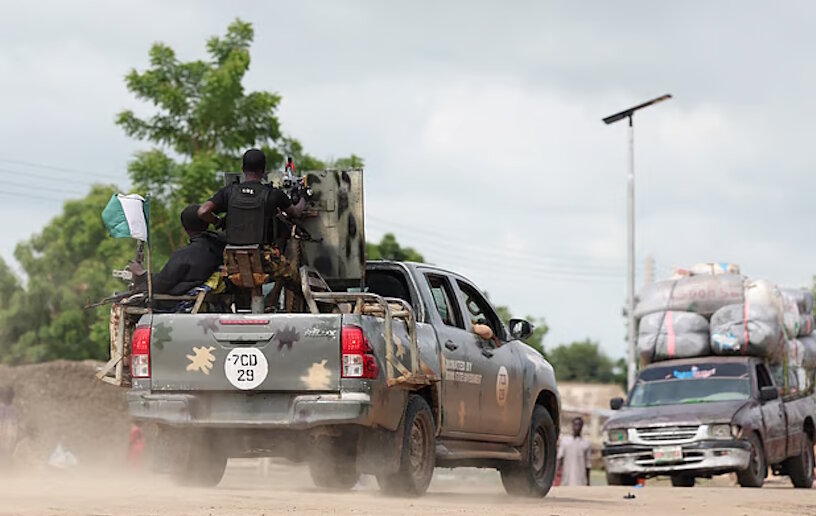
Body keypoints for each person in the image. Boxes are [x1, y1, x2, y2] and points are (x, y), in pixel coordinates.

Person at [197, 148, 305, 246]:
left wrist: (219, 222)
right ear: (263, 170)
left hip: (233, 259)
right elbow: (296, 213)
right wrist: (304, 197)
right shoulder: (274, 194)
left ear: (243, 169)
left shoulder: (228, 192)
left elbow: (203, 211)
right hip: (266, 259)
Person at [152, 205, 226, 295]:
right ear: (208, 222)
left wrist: (142, 275)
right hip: (215, 300)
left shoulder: (184, 255)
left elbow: (160, 285)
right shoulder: (221, 246)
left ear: (185, 228)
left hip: (185, 303)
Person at [557, 416, 592, 486]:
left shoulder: (586, 443)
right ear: (572, 425)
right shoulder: (565, 441)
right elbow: (559, 459)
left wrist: (588, 481)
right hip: (566, 478)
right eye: (575, 424)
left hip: (581, 480)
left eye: (579, 425)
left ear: (582, 427)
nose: (577, 427)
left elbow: (587, 464)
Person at [0, 386, 20, 470]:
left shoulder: (14, 410)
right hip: (9, 434)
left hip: (8, 434)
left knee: (6, 452)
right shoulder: (15, 410)